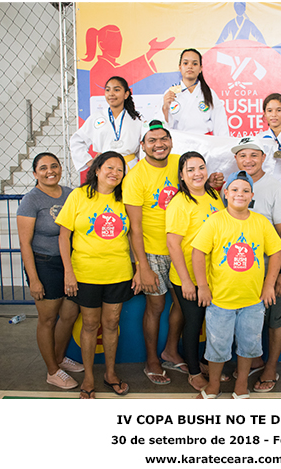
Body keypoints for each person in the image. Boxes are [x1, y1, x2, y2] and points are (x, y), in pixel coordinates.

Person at [192, 171, 281, 399]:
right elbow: (198, 252)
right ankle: (214, 385)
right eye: (234, 189)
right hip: (220, 301)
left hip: (253, 301)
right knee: (216, 346)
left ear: (252, 195)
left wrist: (269, 285)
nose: (239, 194)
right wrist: (202, 286)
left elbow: (276, 252)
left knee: (249, 345)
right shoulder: (215, 221)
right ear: (226, 193)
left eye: (245, 190)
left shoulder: (261, 222)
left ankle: (241, 383)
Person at [56, 152, 134, 399]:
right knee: (90, 324)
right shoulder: (79, 196)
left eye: (120, 169)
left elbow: (135, 234)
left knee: (111, 324)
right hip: (86, 273)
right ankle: (89, 377)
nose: (115, 173)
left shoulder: (126, 198)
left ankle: (110, 374)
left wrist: (140, 268)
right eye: (109, 167)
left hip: (118, 272)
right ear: (97, 170)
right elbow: (63, 236)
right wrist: (69, 272)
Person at [227, 137, 281, 393]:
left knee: (275, 317)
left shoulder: (276, 188)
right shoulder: (232, 186)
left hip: (270, 266)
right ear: (236, 159)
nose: (248, 160)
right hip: (238, 267)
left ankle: (270, 367)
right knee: (242, 316)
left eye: (254, 155)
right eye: (243, 155)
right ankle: (253, 360)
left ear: (263, 158)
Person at [121, 120, 185, 385]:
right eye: (152, 140)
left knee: (183, 304)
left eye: (163, 139)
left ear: (171, 141)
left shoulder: (181, 163)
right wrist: (142, 266)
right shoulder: (135, 176)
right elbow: (134, 228)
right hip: (153, 252)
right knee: (156, 306)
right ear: (143, 145)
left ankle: (170, 351)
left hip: (181, 250)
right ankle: (152, 360)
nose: (159, 144)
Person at [16, 152, 83, 390]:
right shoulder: (31, 200)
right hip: (44, 263)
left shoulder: (71, 194)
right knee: (47, 319)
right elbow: (25, 243)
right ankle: (52, 371)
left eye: (54, 166)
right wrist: (34, 279)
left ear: (61, 169)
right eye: (43, 168)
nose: (50, 171)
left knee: (70, 314)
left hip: (70, 263)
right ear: (35, 173)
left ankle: (59, 357)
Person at [165, 152, 225, 391]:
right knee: (194, 321)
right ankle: (194, 372)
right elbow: (173, 244)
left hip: (213, 275)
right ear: (181, 175)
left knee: (213, 322)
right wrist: (187, 282)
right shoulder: (180, 203)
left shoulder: (213, 196)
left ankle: (205, 363)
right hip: (188, 276)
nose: (197, 173)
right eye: (190, 170)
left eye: (201, 168)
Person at [70, 76, 143, 172]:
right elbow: (77, 140)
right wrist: (88, 161)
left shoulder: (137, 120)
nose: (111, 94)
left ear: (126, 94)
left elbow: (144, 148)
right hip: (105, 169)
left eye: (116, 90)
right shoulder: (96, 117)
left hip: (130, 169)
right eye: (108, 90)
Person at [159, 49, 229, 136]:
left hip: (204, 142)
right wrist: (165, 108)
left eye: (195, 64)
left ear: (200, 68)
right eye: (185, 63)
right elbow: (161, 126)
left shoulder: (209, 93)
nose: (190, 66)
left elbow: (221, 125)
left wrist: (223, 143)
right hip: (179, 141)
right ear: (180, 67)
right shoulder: (170, 94)